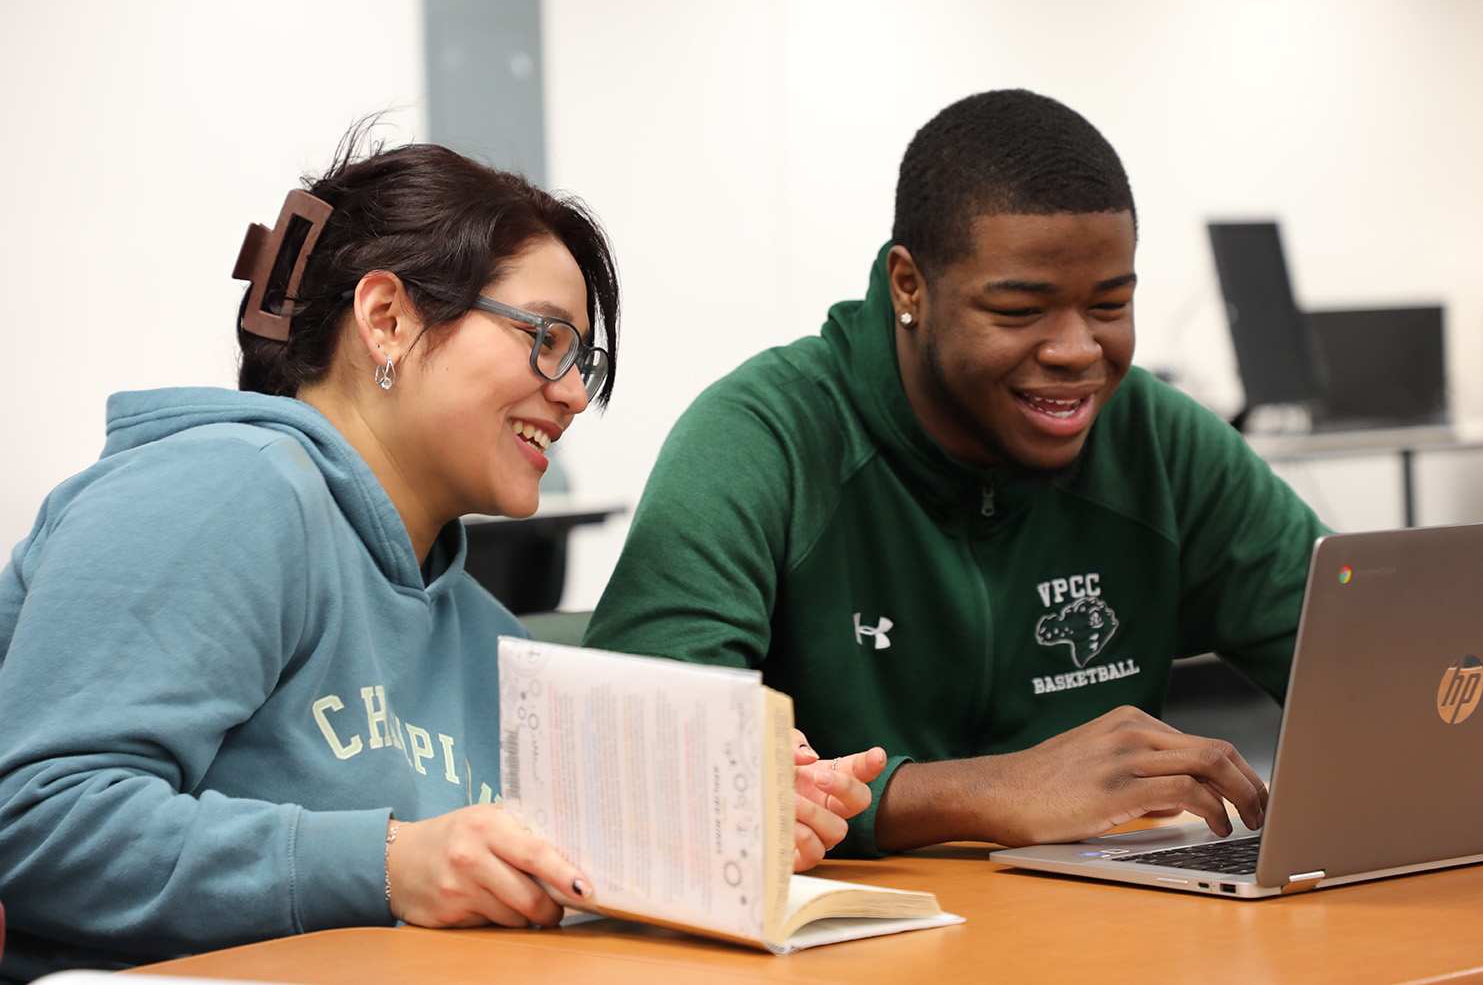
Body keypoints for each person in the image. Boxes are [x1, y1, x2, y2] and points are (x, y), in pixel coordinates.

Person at [0, 136, 869, 981]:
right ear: (387, 319)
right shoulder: (229, 489)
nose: (571, 393)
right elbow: (34, 825)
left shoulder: (475, 625)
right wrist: (384, 863)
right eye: (547, 339)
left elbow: (490, 870)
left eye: (582, 362)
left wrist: (709, 826)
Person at [584, 89, 1329, 858]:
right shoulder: (762, 438)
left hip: (1100, 940)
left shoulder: (1155, 438)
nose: (1078, 349)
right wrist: (985, 792)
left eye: (1110, 304)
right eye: (1020, 310)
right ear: (910, 286)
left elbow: (1373, 660)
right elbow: (633, 763)